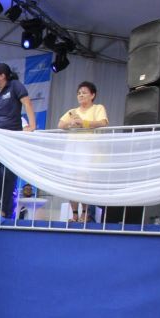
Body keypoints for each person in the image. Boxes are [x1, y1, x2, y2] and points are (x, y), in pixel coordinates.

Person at [0, 63, 36, 218]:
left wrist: (32, 125)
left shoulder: (15, 86)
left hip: (12, 138)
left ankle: (6, 210)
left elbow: (27, 103)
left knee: (8, 176)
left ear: (2, 75)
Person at [58, 81, 108, 223]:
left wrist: (84, 123)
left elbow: (103, 123)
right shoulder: (73, 111)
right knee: (70, 183)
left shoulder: (98, 108)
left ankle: (85, 213)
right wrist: (71, 124)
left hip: (88, 149)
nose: (81, 95)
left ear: (93, 95)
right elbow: (60, 124)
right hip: (72, 149)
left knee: (83, 182)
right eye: (79, 93)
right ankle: (74, 214)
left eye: (84, 92)